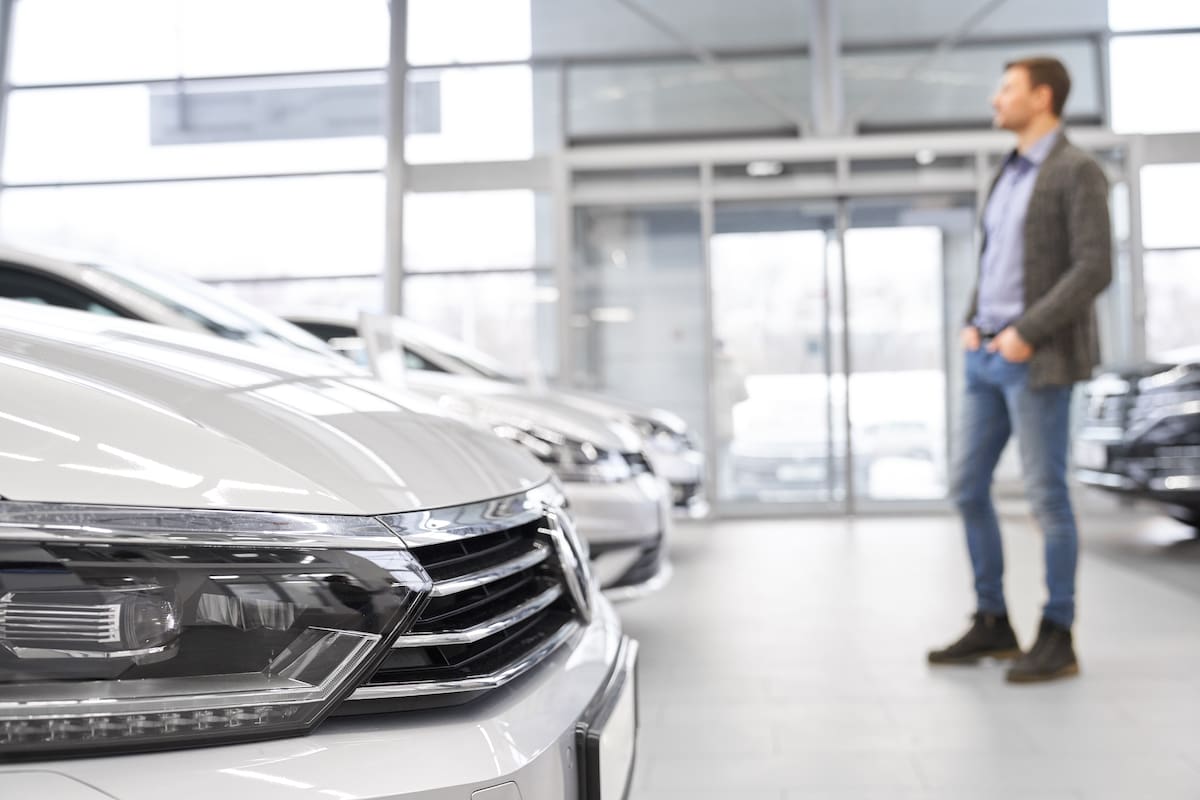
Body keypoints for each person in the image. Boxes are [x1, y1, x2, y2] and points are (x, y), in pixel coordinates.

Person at [927, 56, 1112, 683]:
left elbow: (1093, 267)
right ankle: (993, 621)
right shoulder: (1007, 173)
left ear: (1042, 96)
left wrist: (1026, 333)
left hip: (1036, 357)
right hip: (984, 355)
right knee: (967, 487)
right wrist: (971, 316)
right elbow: (994, 262)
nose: (994, 99)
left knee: (1046, 498)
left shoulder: (1076, 171)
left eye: (1006, 88)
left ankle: (1058, 633)